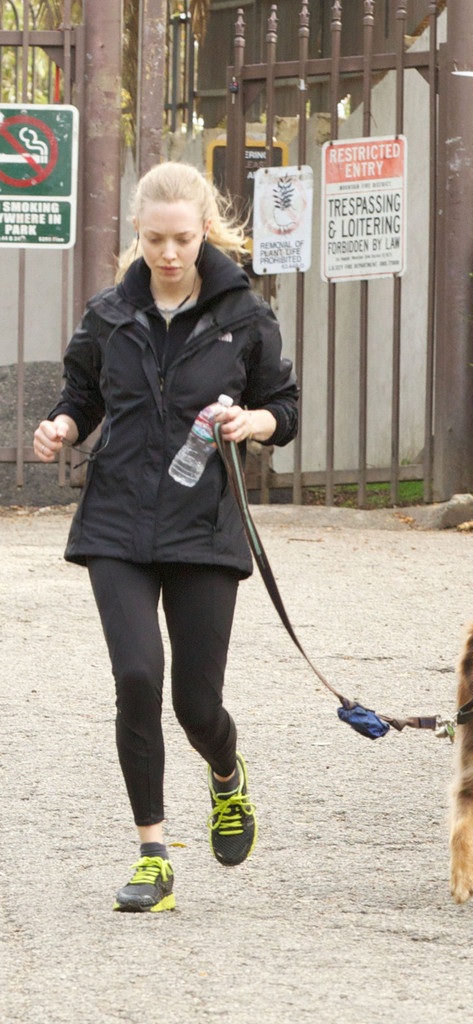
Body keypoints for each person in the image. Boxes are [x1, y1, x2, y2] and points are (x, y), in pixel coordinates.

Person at [34, 161, 298, 913]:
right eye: (155, 240)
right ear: (138, 235)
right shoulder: (108, 315)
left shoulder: (244, 316)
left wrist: (253, 421)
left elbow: (284, 407)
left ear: (205, 231)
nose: (170, 253)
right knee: (136, 677)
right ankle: (153, 855)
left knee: (196, 705)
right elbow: (81, 395)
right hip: (116, 521)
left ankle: (226, 776)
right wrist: (62, 425)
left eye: (182, 238)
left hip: (203, 526)